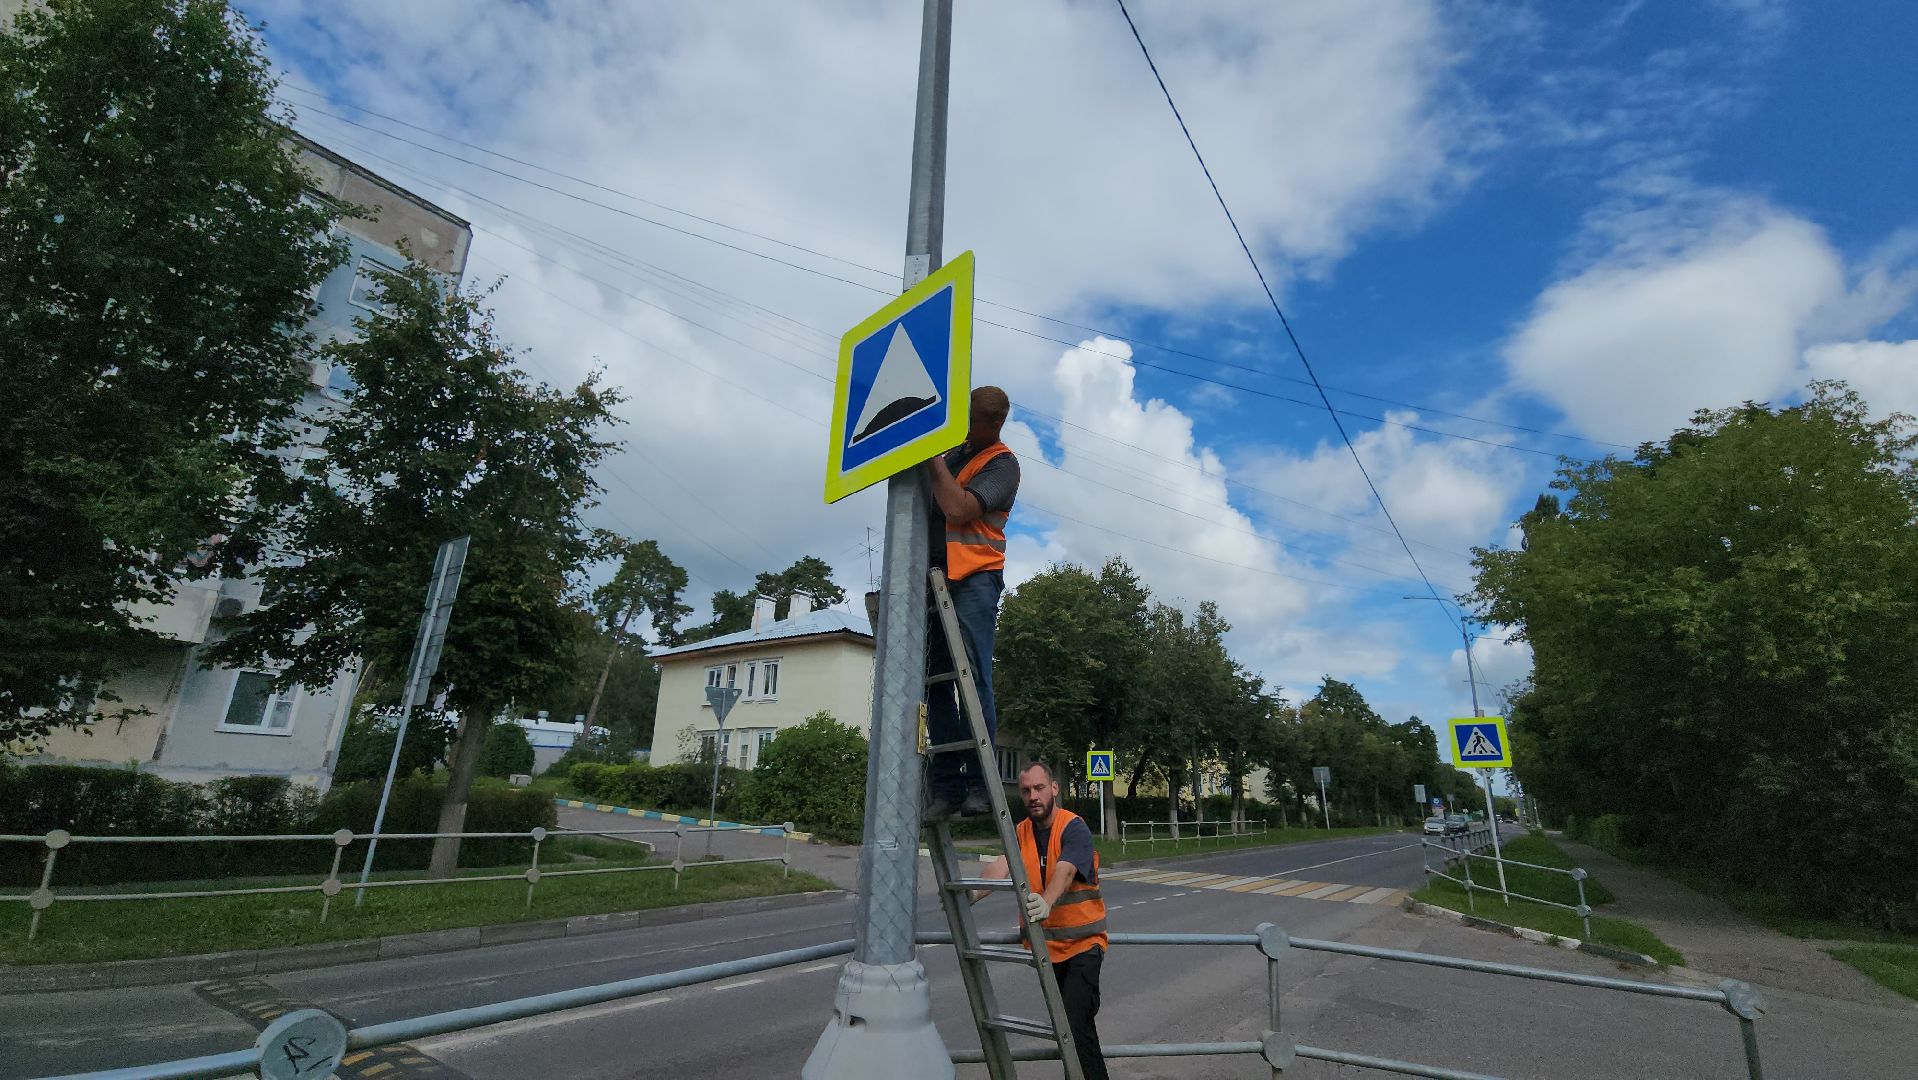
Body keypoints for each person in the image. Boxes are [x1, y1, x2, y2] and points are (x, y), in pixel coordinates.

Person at [974, 761, 1109, 1079]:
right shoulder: (1020, 831)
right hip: (1049, 952)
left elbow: (1066, 870)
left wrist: (1046, 901)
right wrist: (969, 895)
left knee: (1074, 1026)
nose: (1032, 796)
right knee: (1070, 1032)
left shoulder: (1073, 826)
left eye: (1038, 788)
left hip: (1083, 947)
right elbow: (1000, 866)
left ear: (1054, 789)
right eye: (1025, 790)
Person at [922, 385, 1019, 819]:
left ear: (992, 423)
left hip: (975, 580)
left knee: (974, 680)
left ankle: (981, 784)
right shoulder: (956, 453)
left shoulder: (1003, 464)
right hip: (933, 582)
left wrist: (931, 456)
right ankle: (947, 787)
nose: (963, 425)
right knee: (936, 683)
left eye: (971, 419)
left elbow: (959, 509)